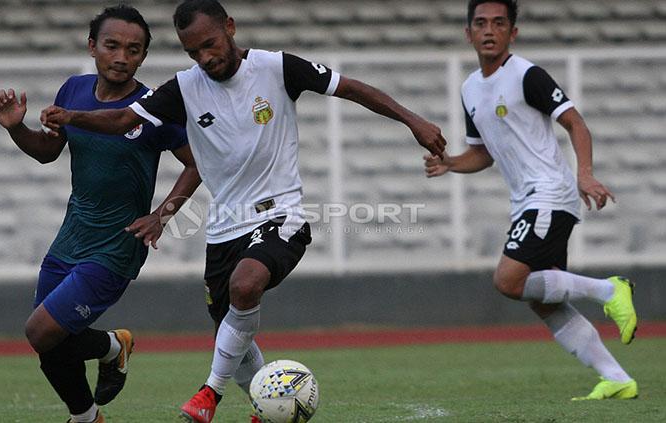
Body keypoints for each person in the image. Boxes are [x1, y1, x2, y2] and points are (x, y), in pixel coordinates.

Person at [40, 0, 446, 421]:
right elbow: (123, 120)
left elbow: (352, 88)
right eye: (193, 51)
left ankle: (208, 394)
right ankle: (267, 408)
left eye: (210, 44)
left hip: (279, 215)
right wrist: (73, 116)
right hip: (223, 228)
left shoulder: (277, 68)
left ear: (230, 28)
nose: (205, 57)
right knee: (231, 330)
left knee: (246, 284)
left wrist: (412, 119)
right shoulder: (185, 86)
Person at [0, 5, 201, 423]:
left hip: (116, 244)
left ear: (143, 56)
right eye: (112, 46)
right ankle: (88, 416)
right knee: (48, 345)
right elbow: (50, 152)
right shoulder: (73, 90)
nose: (122, 56)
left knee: (41, 332)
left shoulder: (153, 105)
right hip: (72, 236)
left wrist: (162, 214)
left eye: (134, 49)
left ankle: (109, 347)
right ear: (92, 47)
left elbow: (197, 163)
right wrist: (16, 127)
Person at [424, 0, 637, 401]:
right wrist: (451, 163)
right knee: (544, 302)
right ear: (468, 33)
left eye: (499, 23)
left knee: (508, 280)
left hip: (550, 194)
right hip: (526, 200)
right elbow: (483, 152)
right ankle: (617, 377)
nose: (489, 31)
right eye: (481, 23)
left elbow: (575, 122)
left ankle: (610, 291)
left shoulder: (527, 76)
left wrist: (585, 174)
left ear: (513, 33)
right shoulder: (470, 88)